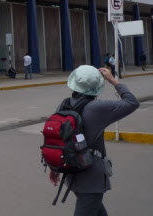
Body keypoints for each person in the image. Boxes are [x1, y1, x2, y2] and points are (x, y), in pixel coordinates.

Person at [48, 65, 139, 215]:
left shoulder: (63, 105)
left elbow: (59, 139)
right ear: (97, 86)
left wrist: (54, 167)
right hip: (91, 178)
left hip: (71, 173)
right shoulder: (97, 108)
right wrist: (112, 80)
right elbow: (132, 102)